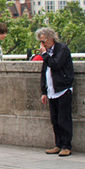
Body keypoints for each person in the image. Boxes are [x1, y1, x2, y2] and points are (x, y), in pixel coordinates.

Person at [36, 27, 74, 157]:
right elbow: (44, 72)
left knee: (64, 119)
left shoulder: (62, 49)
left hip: (63, 89)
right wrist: (44, 91)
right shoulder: (47, 53)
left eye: (43, 41)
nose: (42, 45)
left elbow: (56, 65)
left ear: (51, 39)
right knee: (55, 119)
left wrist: (45, 55)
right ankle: (58, 144)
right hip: (52, 90)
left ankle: (66, 146)